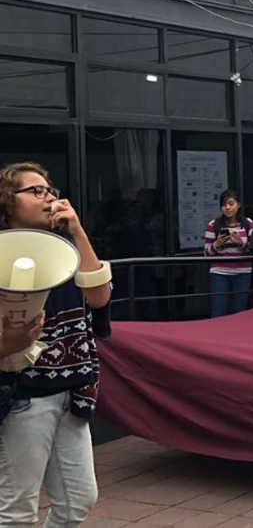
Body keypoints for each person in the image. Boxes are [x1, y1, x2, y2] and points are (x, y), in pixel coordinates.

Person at [0, 162, 112, 527]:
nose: (48, 196)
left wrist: (77, 232)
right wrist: (8, 344)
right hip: (23, 394)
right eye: (35, 191)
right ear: (7, 201)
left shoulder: (68, 245)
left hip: (72, 388)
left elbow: (98, 297)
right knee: (18, 509)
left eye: (50, 190)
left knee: (79, 499)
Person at [203, 189, 253, 318]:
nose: (227, 208)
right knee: (218, 312)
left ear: (238, 205)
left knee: (240, 312)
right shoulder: (213, 225)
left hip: (242, 273)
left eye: (231, 203)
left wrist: (241, 243)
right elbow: (206, 253)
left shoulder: (248, 224)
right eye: (224, 204)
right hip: (219, 273)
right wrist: (217, 244)